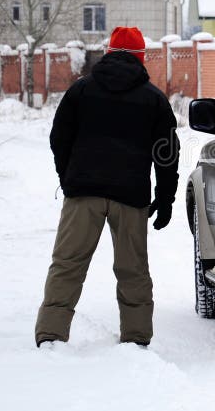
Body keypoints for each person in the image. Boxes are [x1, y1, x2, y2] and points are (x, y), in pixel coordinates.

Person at [34, 26, 179, 348]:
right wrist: (165, 199)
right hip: (130, 197)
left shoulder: (81, 91)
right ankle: (137, 337)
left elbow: (59, 138)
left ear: (108, 52)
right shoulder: (154, 100)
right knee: (133, 270)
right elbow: (167, 153)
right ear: (141, 57)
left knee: (68, 264)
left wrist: (68, 178)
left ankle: (51, 335)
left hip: (83, 192)